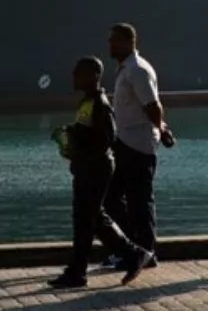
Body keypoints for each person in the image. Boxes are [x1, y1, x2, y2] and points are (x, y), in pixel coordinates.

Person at [48, 57, 141, 289]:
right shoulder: (87, 103)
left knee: (88, 219)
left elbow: (106, 138)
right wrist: (70, 135)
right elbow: (86, 132)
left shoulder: (100, 104)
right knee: (89, 219)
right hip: (87, 167)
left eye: (79, 73)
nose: (74, 77)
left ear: (94, 75)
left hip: (95, 168)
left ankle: (131, 254)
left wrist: (79, 148)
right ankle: (79, 270)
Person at [102, 23, 173, 278]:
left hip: (138, 146)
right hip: (125, 143)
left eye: (114, 40)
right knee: (113, 198)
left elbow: (153, 106)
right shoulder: (126, 69)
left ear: (128, 42)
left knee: (139, 201)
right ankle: (131, 249)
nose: (110, 44)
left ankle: (145, 252)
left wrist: (161, 129)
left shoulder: (138, 70)